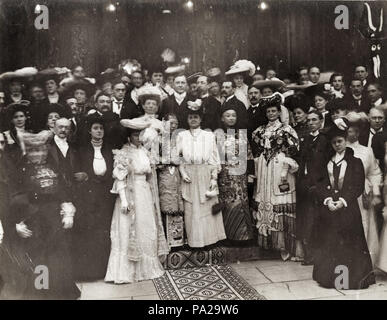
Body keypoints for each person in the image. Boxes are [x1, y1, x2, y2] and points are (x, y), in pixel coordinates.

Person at [0, 130, 80, 299]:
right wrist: (19, 222)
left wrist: (67, 211)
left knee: (58, 257)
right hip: (34, 220)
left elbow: (63, 191)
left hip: (54, 219)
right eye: (33, 150)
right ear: (27, 151)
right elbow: (16, 197)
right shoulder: (21, 170)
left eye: (41, 150)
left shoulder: (52, 166)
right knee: (39, 260)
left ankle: (60, 293)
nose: (38, 154)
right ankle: (42, 293)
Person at [105, 122, 169, 284]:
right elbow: (120, 178)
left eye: (140, 135)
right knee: (129, 229)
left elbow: (149, 176)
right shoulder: (123, 153)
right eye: (135, 135)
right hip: (130, 194)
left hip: (144, 193)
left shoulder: (144, 152)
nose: (138, 138)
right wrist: (124, 200)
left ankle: (146, 269)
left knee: (146, 227)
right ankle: (128, 271)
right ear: (128, 136)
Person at [313, 125, 375, 289]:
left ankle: (350, 280)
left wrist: (343, 200)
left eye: (340, 141)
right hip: (330, 209)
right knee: (330, 241)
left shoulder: (355, 162)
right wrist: (327, 200)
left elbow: (357, 186)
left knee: (349, 243)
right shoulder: (327, 162)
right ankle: (331, 279)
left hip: (348, 210)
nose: (337, 145)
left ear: (345, 141)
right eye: (334, 143)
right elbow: (319, 184)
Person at [251, 93, 301, 261]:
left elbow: (293, 151)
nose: (271, 114)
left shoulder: (287, 130)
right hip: (265, 171)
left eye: (274, 111)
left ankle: (285, 246)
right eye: (269, 112)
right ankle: (269, 244)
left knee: (280, 200)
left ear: (279, 112)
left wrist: (285, 169)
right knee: (266, 201)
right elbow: (257, 152)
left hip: (281, 169)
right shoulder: (260, 131)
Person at [177, 107, 227, 248]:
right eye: (190, 117)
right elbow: (178, 157)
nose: (193, 119)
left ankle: (210, 241)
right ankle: (194, 241)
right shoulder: (182, 136)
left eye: (196, 117)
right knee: (192, 207)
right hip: (189, 173)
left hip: (205, 172)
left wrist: (213, 178)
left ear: (200, 119)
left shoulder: (208, 136)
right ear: (187, 120)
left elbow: (214, 158)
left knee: (207, 205)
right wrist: (183, 172)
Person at [73, 115, 114, 280]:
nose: (99, 131)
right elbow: (79, 173)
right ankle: (91, 271)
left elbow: (111, 172)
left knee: (104, 231)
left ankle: (105, 269)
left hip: (106, 195)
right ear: (90, 131)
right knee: (91, 231)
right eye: (96, 128)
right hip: (88, 196)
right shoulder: (83, 150)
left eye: (101, 128)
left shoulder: (109, 149)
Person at [346, 114, 382, 266]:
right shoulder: (339, 148)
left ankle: (364, 261)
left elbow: (375, 172)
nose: (352, 134)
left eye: (355, 131)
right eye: (349, 131)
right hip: (344, 193)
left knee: (364, 222)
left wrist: (374, 192)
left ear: (359, 133)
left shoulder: (367, 151)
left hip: (363, 193)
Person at [296, 110, 331, 265]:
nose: (311, 123)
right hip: (304, 184)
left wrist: (318, 184)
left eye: (314, 120)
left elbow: (325, 164)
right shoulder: (305, 139)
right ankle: (308, 253)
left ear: (321, 121)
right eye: (308, 120)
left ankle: (318, 255)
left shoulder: (324, 140)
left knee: (317, 220)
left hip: (318, 185)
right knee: (306, 219)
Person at [217, 105, 254, 242]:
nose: (231, 118)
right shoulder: (218, 135)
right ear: (222, 118)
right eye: (228, 115)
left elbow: (249, 156)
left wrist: (250, 175)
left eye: (233, 115)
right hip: (225, 175)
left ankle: (243, 237)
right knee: (227, 203)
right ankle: (228, 237)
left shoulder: (242, 135)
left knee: (241, 203)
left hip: (241, 176)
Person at [158, 113, 185, 248]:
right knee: (167, 202)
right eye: (171, 123)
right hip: (164, 172)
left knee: (178, 201)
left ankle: (178, 240)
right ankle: (167, 241)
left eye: (176, 123)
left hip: (177, 172)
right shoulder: (158, 138)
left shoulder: (180, 138)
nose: (173, 126)